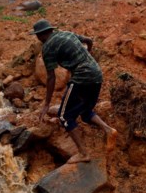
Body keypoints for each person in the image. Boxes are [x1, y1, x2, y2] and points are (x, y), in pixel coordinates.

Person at [31, 19, 118, 163]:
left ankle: (83, 154)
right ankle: (109, 130)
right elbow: (89, 40)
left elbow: (51, 77)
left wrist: (46, 104)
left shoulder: (47, 48)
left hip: (81, 78)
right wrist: (88, 53)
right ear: (51, 29)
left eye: (37, 36)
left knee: (64, 116)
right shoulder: (67, 34)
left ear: (40, 35)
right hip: (96, 74)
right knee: (85, 112)